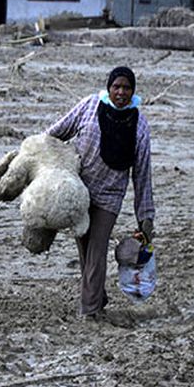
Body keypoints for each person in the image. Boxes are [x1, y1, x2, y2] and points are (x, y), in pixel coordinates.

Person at [47, 66, 155, 323]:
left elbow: (142, 174)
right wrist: (38, 153)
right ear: (108, 88)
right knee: (85, 250)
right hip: (80, 191)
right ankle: (98, 297)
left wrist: (145, 217)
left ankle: (90, 310)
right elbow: (58, 130)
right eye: (116, 86)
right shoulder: (89, 106)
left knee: (97, 249)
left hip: (110, 196)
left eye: (126, 88)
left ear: (133, 92)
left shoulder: (139, 125)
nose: (120, 92)